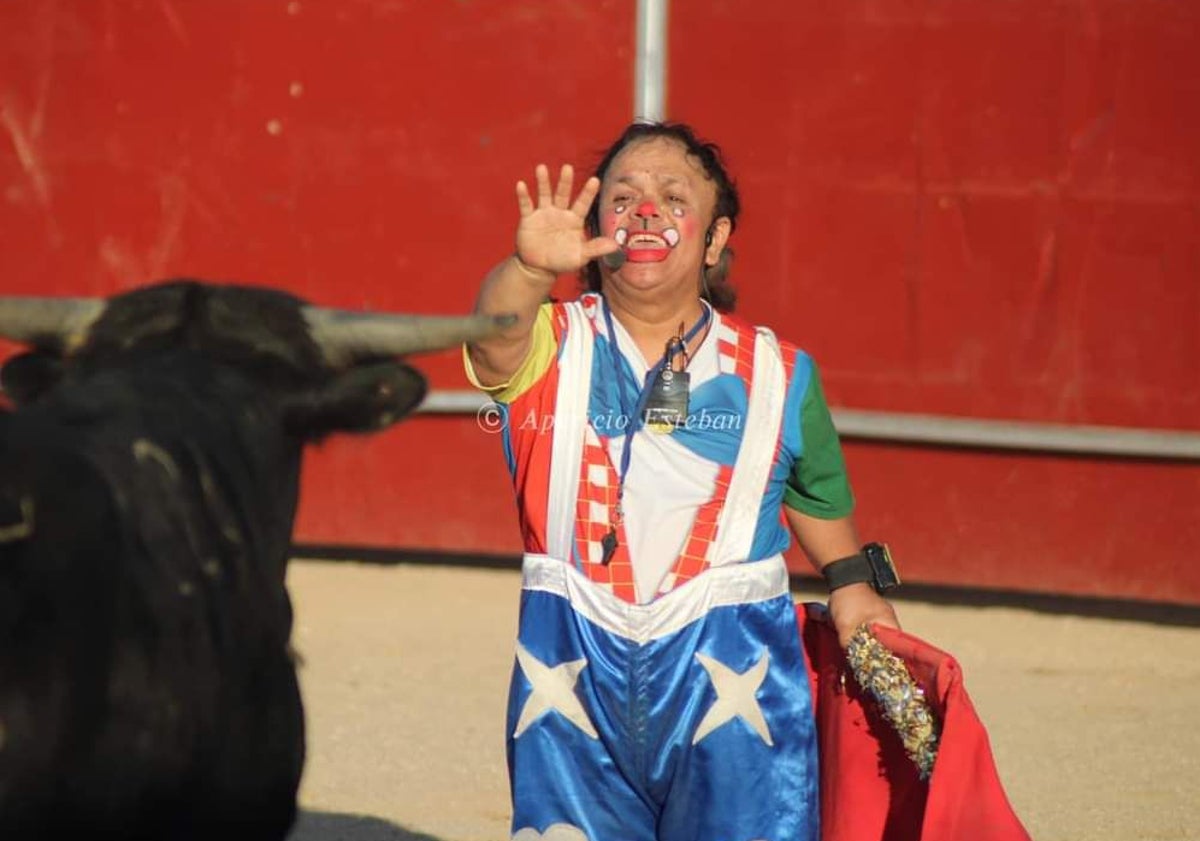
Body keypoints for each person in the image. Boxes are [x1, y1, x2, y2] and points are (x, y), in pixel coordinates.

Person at [465, 121, 901, 841]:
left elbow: (816, 493)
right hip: (572, 662)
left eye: (673, 197)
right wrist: (529, 267)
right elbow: (490, 333)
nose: (645, 213)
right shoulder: (549, 342)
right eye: (625, 196)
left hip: (735, 666)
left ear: (715, 237)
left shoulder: (781, 373)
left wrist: (853, 582)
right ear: (597, 222)